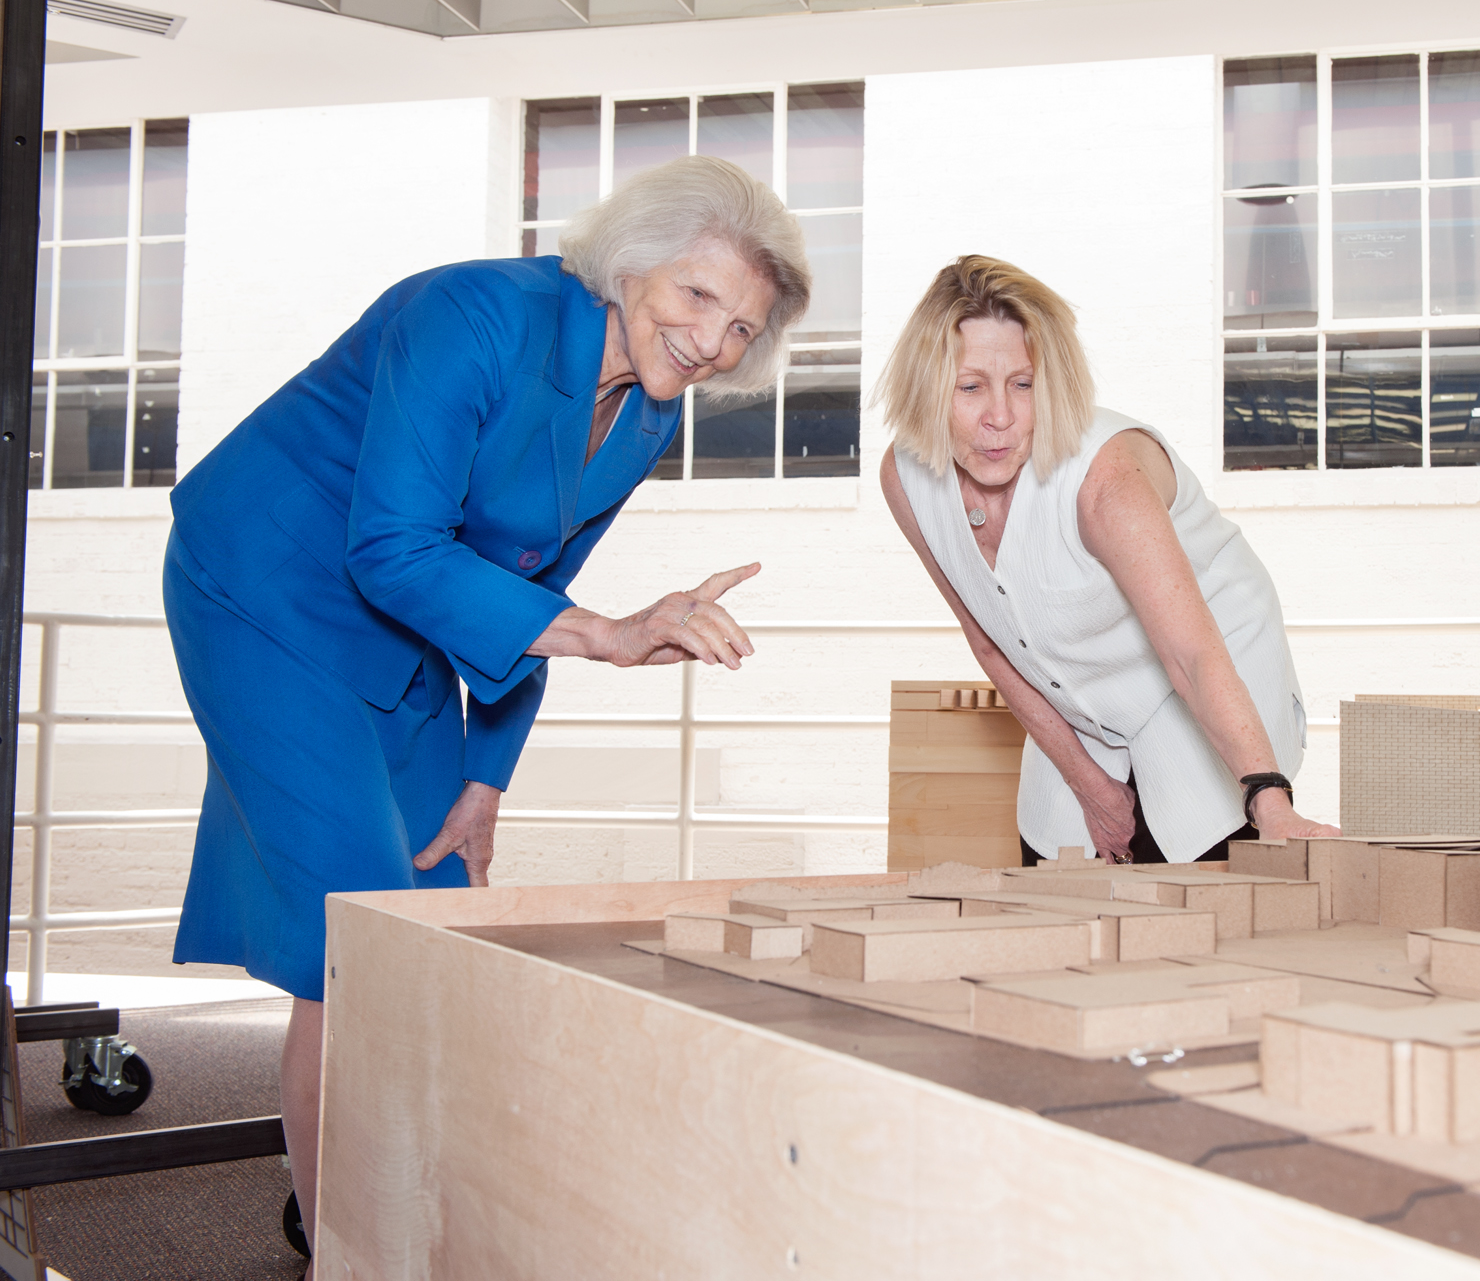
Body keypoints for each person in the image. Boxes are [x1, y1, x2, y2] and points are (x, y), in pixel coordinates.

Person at [162, 156, 809, 1267]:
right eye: (697, 296)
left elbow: (530, 583)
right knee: (358, 935)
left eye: (743, 327)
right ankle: (345, 1248)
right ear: (630, 261)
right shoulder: (467, 313)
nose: (711, 341)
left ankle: (369, 1195)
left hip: (404, 617)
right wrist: (611, 634)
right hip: (269, 588)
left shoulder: (644, 413)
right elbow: (394, 547)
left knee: (435, 910)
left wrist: (486, 775)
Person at [877, 255, 1337, 868]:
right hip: (1079, 698)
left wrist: (1269, 799)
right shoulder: (908, 480)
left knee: (1200, 894)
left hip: (1203, 683)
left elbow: (1191, 655)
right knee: (1056, 888)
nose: (1000, 417)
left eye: (1024, 383)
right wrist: (1090, 786)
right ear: (927, 387)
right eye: (969, 387)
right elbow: (991, 642)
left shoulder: (1106, 480)